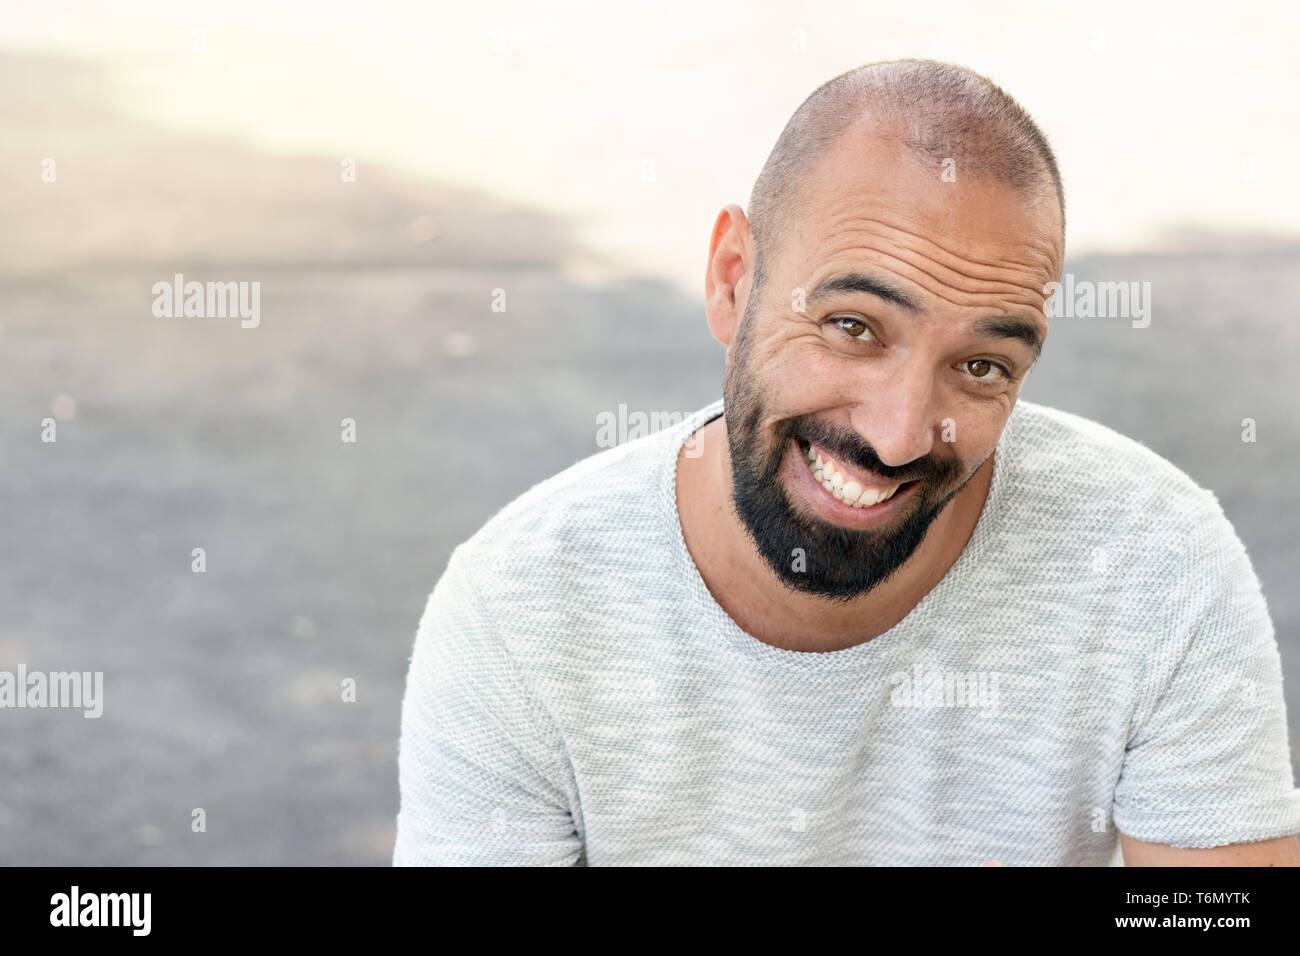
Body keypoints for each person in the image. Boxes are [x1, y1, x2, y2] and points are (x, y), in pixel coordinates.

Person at [393, 59, 1300, 865]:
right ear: (732, 279)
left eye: (981, 366)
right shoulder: (519, 617)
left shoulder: (1154, 564)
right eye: (853, 327)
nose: (904, 434)